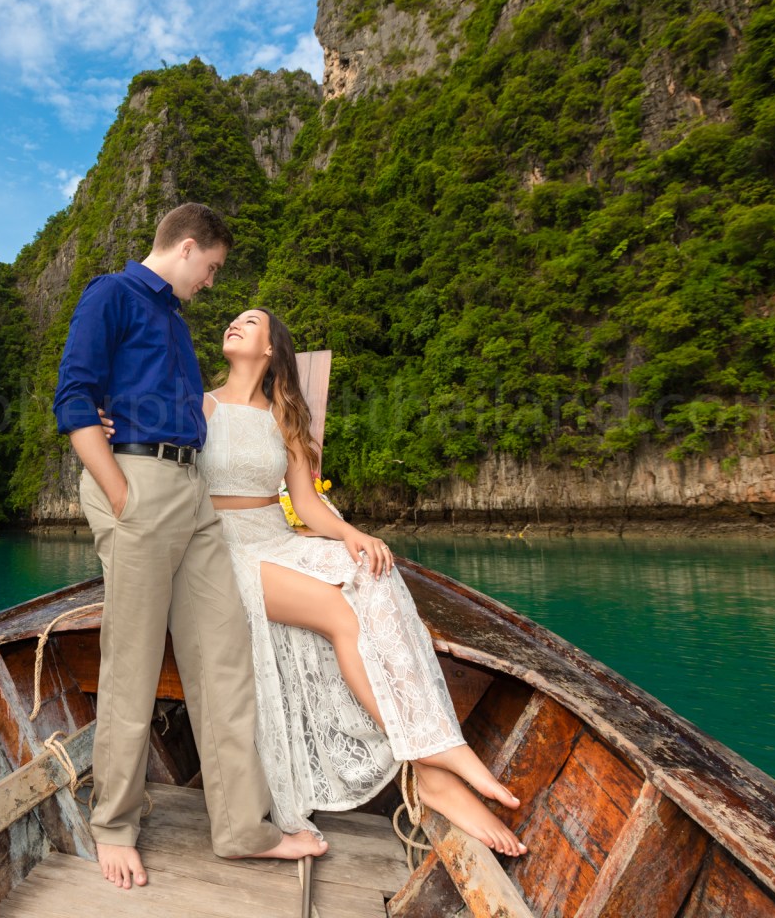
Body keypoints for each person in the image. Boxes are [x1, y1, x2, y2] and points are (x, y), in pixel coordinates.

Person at [100, 307, 528, 856]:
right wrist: (108, 421)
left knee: (373, 575)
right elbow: (144, 440)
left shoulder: (285, 417)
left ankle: (432, 758)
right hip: (219, 549)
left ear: (271, 348)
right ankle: (435, 762)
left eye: (250, 322)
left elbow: (304, 503)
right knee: (337, 614)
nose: (235, 324)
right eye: (233, 320)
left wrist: (351, 534)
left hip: (276, 539)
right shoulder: (197, 406)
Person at [52, 205, 327, 891]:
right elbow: (75, 399)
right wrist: (119, 490)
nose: (211, 283)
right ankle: (113, 824)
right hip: (139, 481)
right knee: (134, 659)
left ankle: (242, 829)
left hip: (191, 489)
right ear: (186, 247)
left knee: (223, 655)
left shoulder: (175, 320)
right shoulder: (110, 294)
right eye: (212, 268)